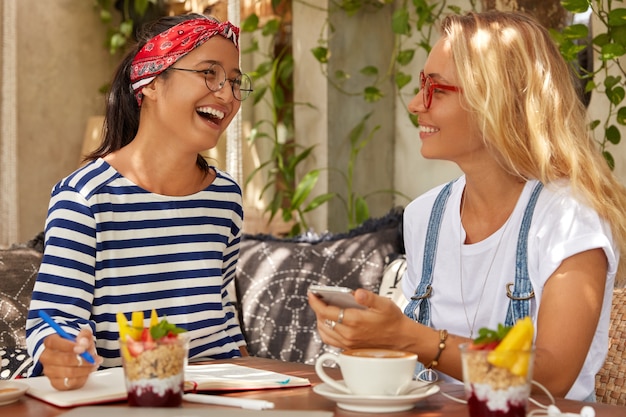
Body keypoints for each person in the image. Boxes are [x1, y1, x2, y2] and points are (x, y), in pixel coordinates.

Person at [308, 10, 626, 402]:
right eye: (422, 85)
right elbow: (414, 365)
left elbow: (551, 377)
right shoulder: (425, 215)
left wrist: (410, 336)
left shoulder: (568, 218)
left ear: (498, 102)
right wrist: (364, 333)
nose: (415, 104)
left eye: (437, 90)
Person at [26, 13, 252, 390]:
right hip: (126, 401)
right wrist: (62, 350)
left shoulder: (226, 197)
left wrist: (257, 376)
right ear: (151, 83)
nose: (227, 95)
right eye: (209, 73)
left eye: (233, 81)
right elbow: (54, 321)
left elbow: (223, 313)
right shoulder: (85, 196)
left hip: (220, 393)